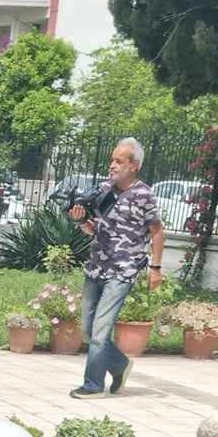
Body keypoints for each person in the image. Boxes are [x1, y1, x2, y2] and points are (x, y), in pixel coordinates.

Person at [65, 137, 162, 400]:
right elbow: (93, 228)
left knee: (100, 329)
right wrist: (81, 220)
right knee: (87, 327)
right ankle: (120, 365)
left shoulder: (144, 195)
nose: (112, 165)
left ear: (135, 165)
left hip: (123, 270)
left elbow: (156, 232)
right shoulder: (105, 190)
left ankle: (93, 385)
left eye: (119, 161)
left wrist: (155, 268)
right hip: (97, 266)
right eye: (112, 160)